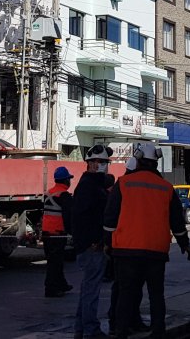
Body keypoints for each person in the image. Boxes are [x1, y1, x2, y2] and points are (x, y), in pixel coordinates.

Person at [104, 143, 190, 339]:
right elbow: (177, 222)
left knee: (126, 294)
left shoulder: (124, 183)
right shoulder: (166, 188)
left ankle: (120, 332)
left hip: (126, 250)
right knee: (156, 295)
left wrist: (107, 243)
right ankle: (158, 331)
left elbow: (110, 219)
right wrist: (184, 244)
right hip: (155, 252)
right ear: (156, 162)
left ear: (138, 159)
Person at [72, 145, 114, 339]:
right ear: (89, 163)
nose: (100, 165)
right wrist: (93, 241)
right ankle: (91, 329)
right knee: (91, 290)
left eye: (104, 162)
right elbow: (83, 218)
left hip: (91, 244)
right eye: (97, 162)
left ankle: (81, 328)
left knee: (88, 289)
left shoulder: (94, 184)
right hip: (91, 246)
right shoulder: (89, 186)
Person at [107, 157, 148, 334]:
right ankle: (125, 323)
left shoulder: (122, 185)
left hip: (122, 246)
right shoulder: (130, 186)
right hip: (132, 246)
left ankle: (121, 323)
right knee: (130, 289)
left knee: (123, 288)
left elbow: (110, 218)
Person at [42, 166, 75, 297]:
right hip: (57, 233)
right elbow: (68, 216)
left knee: (55, 261)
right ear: (66, 180)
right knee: (55, 263)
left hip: (47, 232)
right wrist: (71, 232)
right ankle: (51, 289)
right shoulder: (64, 195)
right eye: (69, 179)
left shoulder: (48, 193)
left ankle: (62, 284)